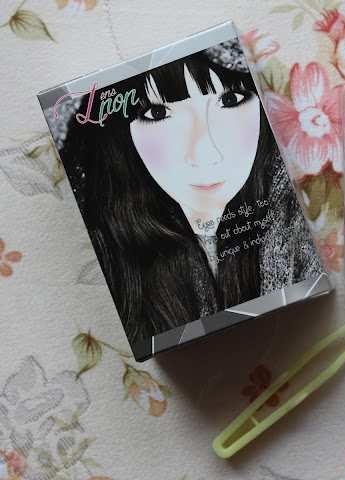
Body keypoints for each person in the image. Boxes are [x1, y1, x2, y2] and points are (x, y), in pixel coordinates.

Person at [60, 45, 323, 344]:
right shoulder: (109, 258)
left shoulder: (301, 214)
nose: (205, 154)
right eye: (158, 113)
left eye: (230, 100)